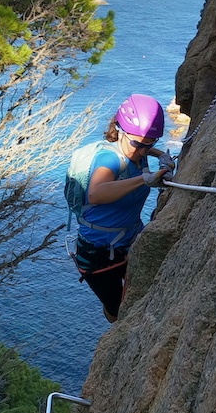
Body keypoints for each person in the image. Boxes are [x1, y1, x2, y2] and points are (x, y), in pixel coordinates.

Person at [74, 93, 175, 323]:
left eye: (149, 144)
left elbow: (142, 146)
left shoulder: (136, 150)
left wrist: (160, 155)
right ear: (119, 130)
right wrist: (144, 179)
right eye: (138, 144)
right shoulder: (109, 160)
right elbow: (96, 193)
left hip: (129, 239)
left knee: (141, 293)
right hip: (98, 251)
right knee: (117, 311)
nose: (142, 151)